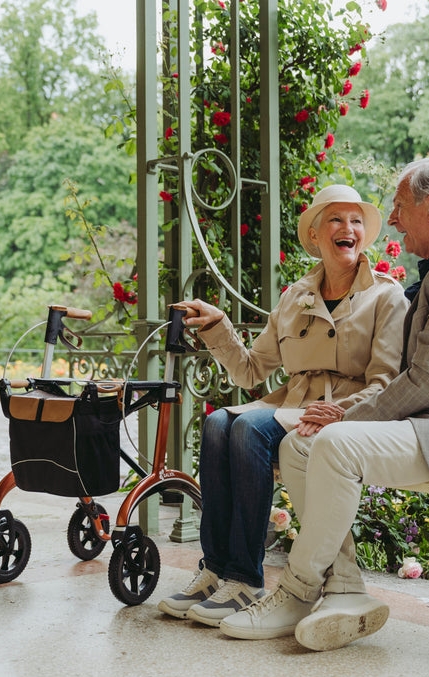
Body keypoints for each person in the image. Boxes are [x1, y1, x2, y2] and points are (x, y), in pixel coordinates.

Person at [218, 158, 429, 650]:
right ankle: (346, 589)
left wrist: (345, 414)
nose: (392, 221)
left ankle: (298, 589)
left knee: (333, 444)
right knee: (300, 447)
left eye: (398, 208)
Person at [157, 184, 408, 627]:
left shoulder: (385, 296)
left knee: (248, 429)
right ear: (315, 235)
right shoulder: (295, 297)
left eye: (355, 221)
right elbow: (252, 371)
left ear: (364, 236)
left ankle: (245, 578)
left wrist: (344, 412)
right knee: (217, 424)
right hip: (291, 405)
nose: (347, 228)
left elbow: (385, 382)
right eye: (335, 219)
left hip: (343, 413)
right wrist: (218, 327)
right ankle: (215, 571)